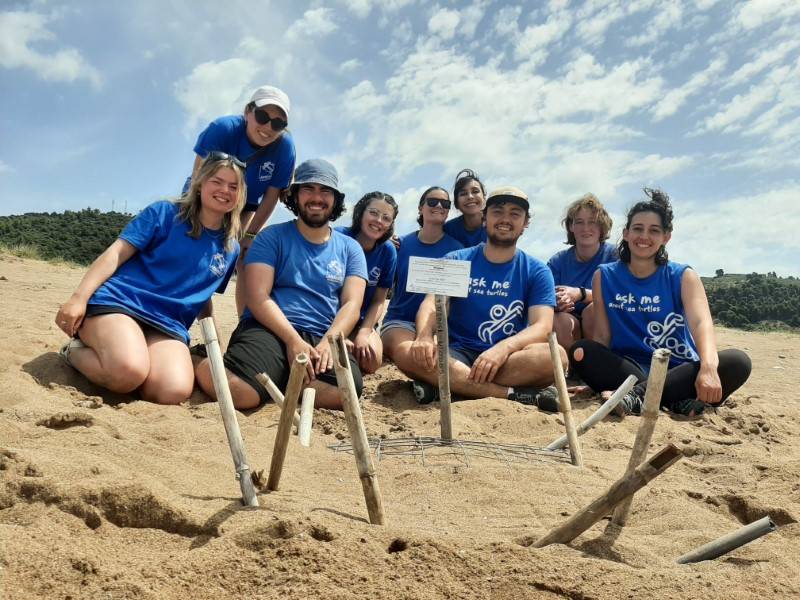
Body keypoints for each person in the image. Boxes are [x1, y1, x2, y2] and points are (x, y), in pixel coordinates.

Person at [56, 153, 245, 404]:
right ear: (200, 183)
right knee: (127, 372)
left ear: (240, 195)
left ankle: (133, 358)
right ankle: (73, 351)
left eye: (234, 186)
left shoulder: (230, 247)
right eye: (217, 181)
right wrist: (78, 299)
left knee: (172, 391)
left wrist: (215, 343)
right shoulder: (165, 213)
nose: (224, 190)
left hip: (168, 324)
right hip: (122, 304)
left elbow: (202, 295)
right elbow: (116, 254)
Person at [195, 159, 367, 410]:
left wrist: (330, 340)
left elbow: (352, 303)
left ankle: (281, 379)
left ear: (335, 199)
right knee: (240, 393)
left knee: (346, 393)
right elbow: (257, 296)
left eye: (325, 191)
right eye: (308, 189)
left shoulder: (350, 248)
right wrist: (292, 340)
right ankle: (196, 358)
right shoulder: (271, 237)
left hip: (322, 332)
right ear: (294, 196)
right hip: (270, 328)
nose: (316, 198)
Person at [569, 189, 751, 416]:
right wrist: (594, 377)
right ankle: (673, 399)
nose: (644, 236)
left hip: (679, 368)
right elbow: (603, 336)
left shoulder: (683, 276)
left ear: (666, 237)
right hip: (630, 368)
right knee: (581, 352)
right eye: (637, 229)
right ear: (626, 233)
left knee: (738, 362)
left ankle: (636, 396)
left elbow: (701, 323)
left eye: (654, 230)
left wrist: (708, 368)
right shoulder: (604, 276)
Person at [392, 186, 563, 408]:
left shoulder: (536, 269)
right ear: (484, 218)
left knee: (555, 355)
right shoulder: (456, 259)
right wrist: (424, 336)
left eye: (514, 214)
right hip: (456, 352)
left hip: (507, 359)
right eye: (497, 212)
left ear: (525, 223)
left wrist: (503, 349)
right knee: (406, 351)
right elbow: (431, 305)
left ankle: (453, 386)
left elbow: (542, 326)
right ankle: (510, 394)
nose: (505, 219)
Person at [185, 85, 296, 314]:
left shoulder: (285, 147)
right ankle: (206, 332)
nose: (268, 128)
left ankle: (244, 329)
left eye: (278, 124)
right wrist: (204, 215)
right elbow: (199, 176)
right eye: (263, 117)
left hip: (244, 205)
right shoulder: (223, 128)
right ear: (248, 111)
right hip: (204, 194)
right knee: (197, 256)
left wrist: (250, 235)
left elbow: (271, 195)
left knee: (246, 256)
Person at [381, 186, 463, 386]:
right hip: (400, 321)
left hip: (439, 327)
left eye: (445, 204)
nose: (438, 206)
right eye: (432, 201)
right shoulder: (400, 245)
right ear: (420, 208)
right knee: (410, 353)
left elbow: (454, 300)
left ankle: (432, 385)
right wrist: (383, 243)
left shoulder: (458, 250)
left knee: (433, 355)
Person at [337, 192, 399, 374]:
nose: (379, 220)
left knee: (371, 360)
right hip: (331, 318)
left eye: (386, 218)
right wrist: (338, 333)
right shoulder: (338, 237)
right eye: (373, 213)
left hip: (362, 320)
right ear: (361, 212)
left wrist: (364, 332)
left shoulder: (388, 251)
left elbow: (379, 300)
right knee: (338, 353)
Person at [547, 193, 617, 348]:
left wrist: (580, 294)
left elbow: (620, 296)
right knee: (557, 319)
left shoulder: (615, 256)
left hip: (604, 322)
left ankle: (599, 364)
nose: (586, 228)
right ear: (571, 226)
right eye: (579, 222)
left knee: (593, 311)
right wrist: (557, 303)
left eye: (592, 222)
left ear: (601, 226)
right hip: (570, 322)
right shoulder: (557, 261)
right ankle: (570, 369)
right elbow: (544, 297)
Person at [444, 168, 488, 247]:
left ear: (484, 198)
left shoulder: (494, 225)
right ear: (456, 204)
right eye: (463, 194)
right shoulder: (449, 229)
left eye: (475, 191)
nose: (470, 197)